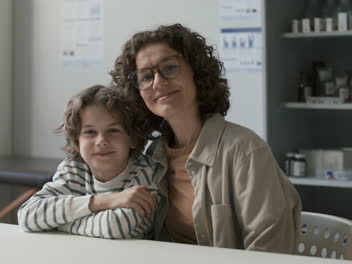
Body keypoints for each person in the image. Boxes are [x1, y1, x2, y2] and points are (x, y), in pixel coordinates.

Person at [110, 24, 301, 253]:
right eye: (146, 77)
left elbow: (270, 252)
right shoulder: (155, 155)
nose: (158, 83)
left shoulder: (245, 151)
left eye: (169, 67)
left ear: (196, 71)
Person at [17, 85, 164, 239]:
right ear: (77, 140)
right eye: (90, 132)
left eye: (113, 131)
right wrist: (106, 201)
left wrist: (56, 222)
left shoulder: (147, 172)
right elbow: (28, 215)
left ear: (133, 138)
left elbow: (116, 227)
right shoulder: (74, 168)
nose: (101, 141)